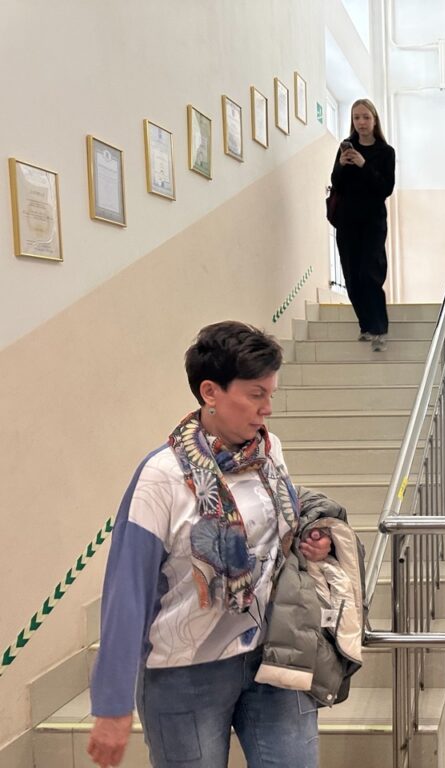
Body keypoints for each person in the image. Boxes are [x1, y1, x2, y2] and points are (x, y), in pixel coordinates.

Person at [86, 321, 332, 768]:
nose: (267, 408)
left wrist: (309, 543)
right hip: (184, 673)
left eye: (271, 394)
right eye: (256, 395)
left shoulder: (268, 452)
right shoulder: (161, 477)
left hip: (274, 651)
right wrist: (112, 703)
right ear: (210, 392)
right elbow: (127, 589)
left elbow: (276, 531)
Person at [329, 98, 396, 352]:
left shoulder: (385, 152)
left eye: (366, 117)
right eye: (356, 117)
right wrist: (342, 165)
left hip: (373, 222)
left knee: (370, 272)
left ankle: (379, 329)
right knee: (352, 275)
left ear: (374, 120)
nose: (361, 122)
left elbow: (385, 188)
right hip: (347, 222)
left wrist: (363, 165)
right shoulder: (345, 148)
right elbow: (336, 182)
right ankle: (366, 326)